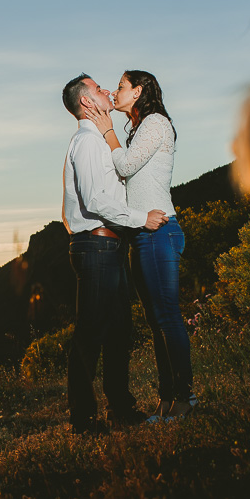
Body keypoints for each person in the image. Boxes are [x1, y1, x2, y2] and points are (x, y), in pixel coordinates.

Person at [83, 70, 195, 421]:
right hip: (142, 234)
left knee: (168, 317)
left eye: (120, 87)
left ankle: (185, 398)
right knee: (155, 319)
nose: (115, 93)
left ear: (139, 91)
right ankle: (167, 401)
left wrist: (107, 132)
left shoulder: (156, 123)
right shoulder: (138, 128)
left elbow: (128, 166)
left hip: (161, 231)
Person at [61, 74, 169, 434]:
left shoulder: (98, 141)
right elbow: (95, 200)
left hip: (109, 244)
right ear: (88, 102)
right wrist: (142, 219)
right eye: (98, 89)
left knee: (118, 332)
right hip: (97, 244)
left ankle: (120, 408)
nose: (107, 90)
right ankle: (82, 418)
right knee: (91, 333)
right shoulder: (88, 142)